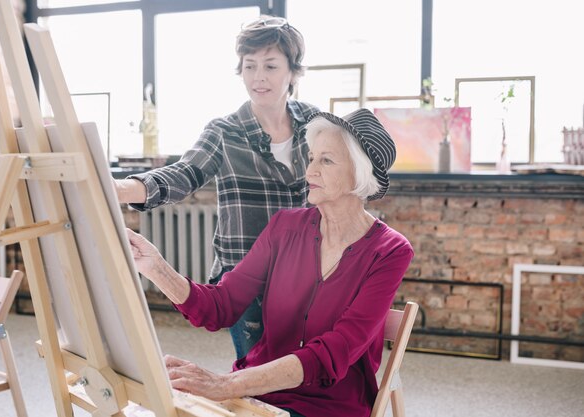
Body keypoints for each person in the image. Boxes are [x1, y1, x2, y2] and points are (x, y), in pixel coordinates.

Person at [127, 108, 414, 417]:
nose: (309, 172)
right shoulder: (284, 227)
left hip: (326, 407)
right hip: (256, 394)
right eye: (312, 158)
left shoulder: (390, 251)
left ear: (359, 174)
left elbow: (335, 351)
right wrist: (155, 266)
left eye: (326, 161)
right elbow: (221, 305)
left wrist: (226, 384)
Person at [115, 15, 319, 359]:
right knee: (257, 379)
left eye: (270, 66)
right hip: (247, 281)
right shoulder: (225, 131)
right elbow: (183, 175)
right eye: (249, 66)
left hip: (308, 275)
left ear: (294, 72)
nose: (258, 77)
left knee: (305, 373)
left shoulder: (316, 123)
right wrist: (121, 189)